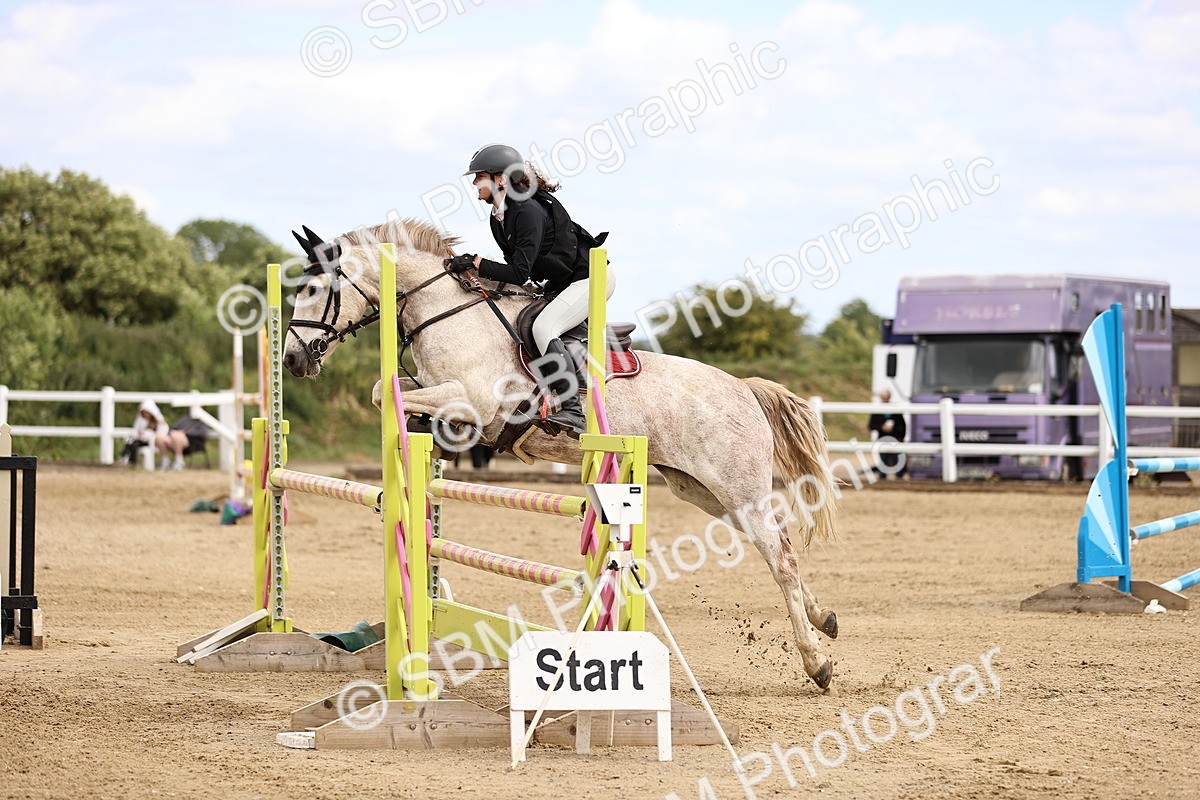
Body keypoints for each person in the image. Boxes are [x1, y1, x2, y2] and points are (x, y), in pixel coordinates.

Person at [444, 143, 615, 436]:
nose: (474, 183)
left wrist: (478, 263)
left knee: (544, 328)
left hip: (591, 279)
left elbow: (519, 272)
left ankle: (574, 411)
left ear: (500, 179)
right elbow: (519, 273)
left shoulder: (527, 211)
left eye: (479, 176)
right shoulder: (499, 217)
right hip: (562, 283)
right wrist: (475, 268)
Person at [868, 389, 908, 479]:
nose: (885, 399)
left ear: (889, 397)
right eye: (883, 397)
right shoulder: (877, 411)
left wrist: (901, 437)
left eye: (886, 397)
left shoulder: (895, 410)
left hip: (895, 437)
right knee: (883, 459)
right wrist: (881, 427)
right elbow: (871, 425)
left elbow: (902, 425)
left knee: (898, 458)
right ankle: (882, 477)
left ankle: (899, 477)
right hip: (882, 438)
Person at [118, 400, 167, 466]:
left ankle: (126, 458)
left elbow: (162, 433)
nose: (145, 414)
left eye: (147, 412)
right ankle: (130, 461)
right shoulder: (141, 420)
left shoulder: (158, 421)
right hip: (141, 440)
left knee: (133, 443)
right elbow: (135, 431)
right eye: (144, 413)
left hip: (153, 442)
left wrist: (148, 434)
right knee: (132, 443)